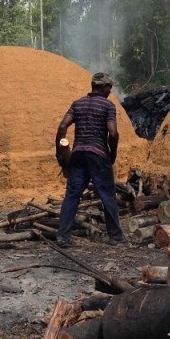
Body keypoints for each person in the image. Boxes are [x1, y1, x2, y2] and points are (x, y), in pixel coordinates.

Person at [55, 72, 127, 248]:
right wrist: (113, 153)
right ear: (102, 87)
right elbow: (113, 133)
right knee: (107, 194)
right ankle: (115, 237)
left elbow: (63, 126)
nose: (110, 91)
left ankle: (63, 237)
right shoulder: (108, 106)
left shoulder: (77, 104)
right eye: (109, 87)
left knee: (72, 195)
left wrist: (60, 153)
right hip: (98, 155)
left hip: (78, 155)